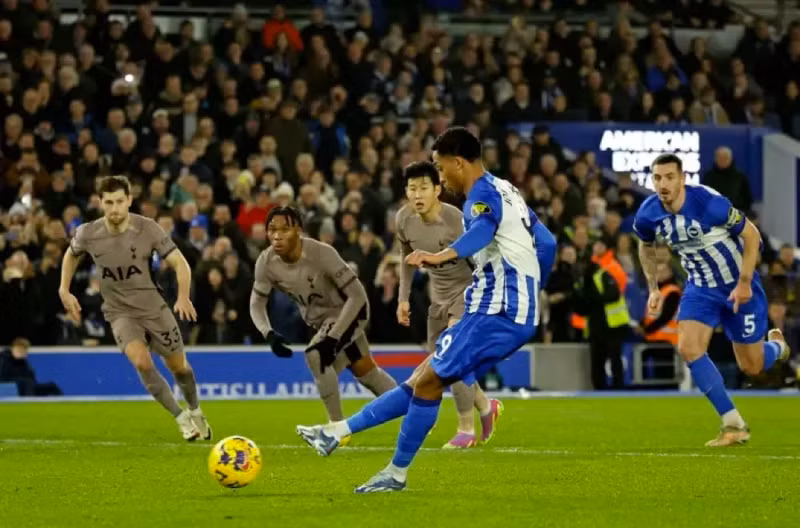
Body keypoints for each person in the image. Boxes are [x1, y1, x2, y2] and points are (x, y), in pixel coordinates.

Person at [297, 127, 556, 492]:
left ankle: (395, 472)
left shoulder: (478, 196)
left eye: (439, 166)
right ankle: (337, 433)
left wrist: (441, 255)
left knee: (430, 381)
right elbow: (547, 241)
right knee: (424, 380)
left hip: (496, 309)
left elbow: (481, 230)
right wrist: (533, 289)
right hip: (506, 308)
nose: (439, 175)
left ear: (458, 163)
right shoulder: (506, 189)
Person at [634, 154, 789, 447]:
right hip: (700, 288)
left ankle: (777, 347)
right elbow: (645, 244)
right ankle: (733, 424)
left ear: (682, 179)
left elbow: (752, 236)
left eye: (669, 177)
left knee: (752, 367)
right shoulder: (648, 213)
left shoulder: (710, 204)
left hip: (738, 286)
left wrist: (744, 283)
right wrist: (653, 287)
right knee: (689, 348)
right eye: (657, 178)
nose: (662, 184)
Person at [58, 175, 211, 442]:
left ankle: (196, 410)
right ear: (100, 202)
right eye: (108, 202)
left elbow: (180, 263)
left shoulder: (147, 228)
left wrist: (183, 297)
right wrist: (64, 289)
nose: (114, 208)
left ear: (129, 200)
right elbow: (71, 254)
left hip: (154, 308)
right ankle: (181, 418)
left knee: (180, 368)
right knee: (142, 362)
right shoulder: (88, 233)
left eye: (119, 201)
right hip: (119, 312)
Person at [249, 206, 397, 435]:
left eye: (285, 229)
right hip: (322, 322)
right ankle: (418, 411)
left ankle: (336, 429)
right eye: (272, 230)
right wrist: (267, 333)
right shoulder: (266, 262)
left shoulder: (322, 253)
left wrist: (333, 338)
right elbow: (256, 303)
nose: (277, 236)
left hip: (351, 311)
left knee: (315, 354)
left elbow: (357, 296)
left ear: (298, 230)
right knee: (367, 373)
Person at [395, 160, 501, 449]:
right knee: (445, 365)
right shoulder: (404, 219)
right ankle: (485, 405)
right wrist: (403, 298)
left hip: (468, 293)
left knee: (451, 354)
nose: (417, 195)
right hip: (437, 299)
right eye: (412, 189)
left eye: (424, 188)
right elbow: (406, 259)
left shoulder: (457, 219)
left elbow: (483, 258)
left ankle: (465, 429)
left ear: (438, 190)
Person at [576, 239, 630, 389]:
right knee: (599, 359)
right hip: (599, 323)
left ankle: (615, 388)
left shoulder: (602, 273)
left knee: (610, 358)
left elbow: (614, 294)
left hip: (613, 323)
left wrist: (594, 300)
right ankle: (602, 389)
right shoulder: (589, 277)